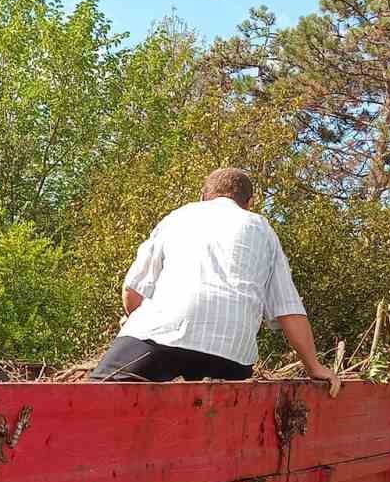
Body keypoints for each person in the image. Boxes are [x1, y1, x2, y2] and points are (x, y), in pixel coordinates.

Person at [88, 167, 342, 394]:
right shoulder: (263, 229)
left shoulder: (179, 216)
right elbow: (289, 309)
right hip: (231, 355)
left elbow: (132, 290)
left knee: (93, 399)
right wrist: (314, 366)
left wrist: (135, 317)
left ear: (202, 196)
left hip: (162, 334)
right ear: (249, 203)